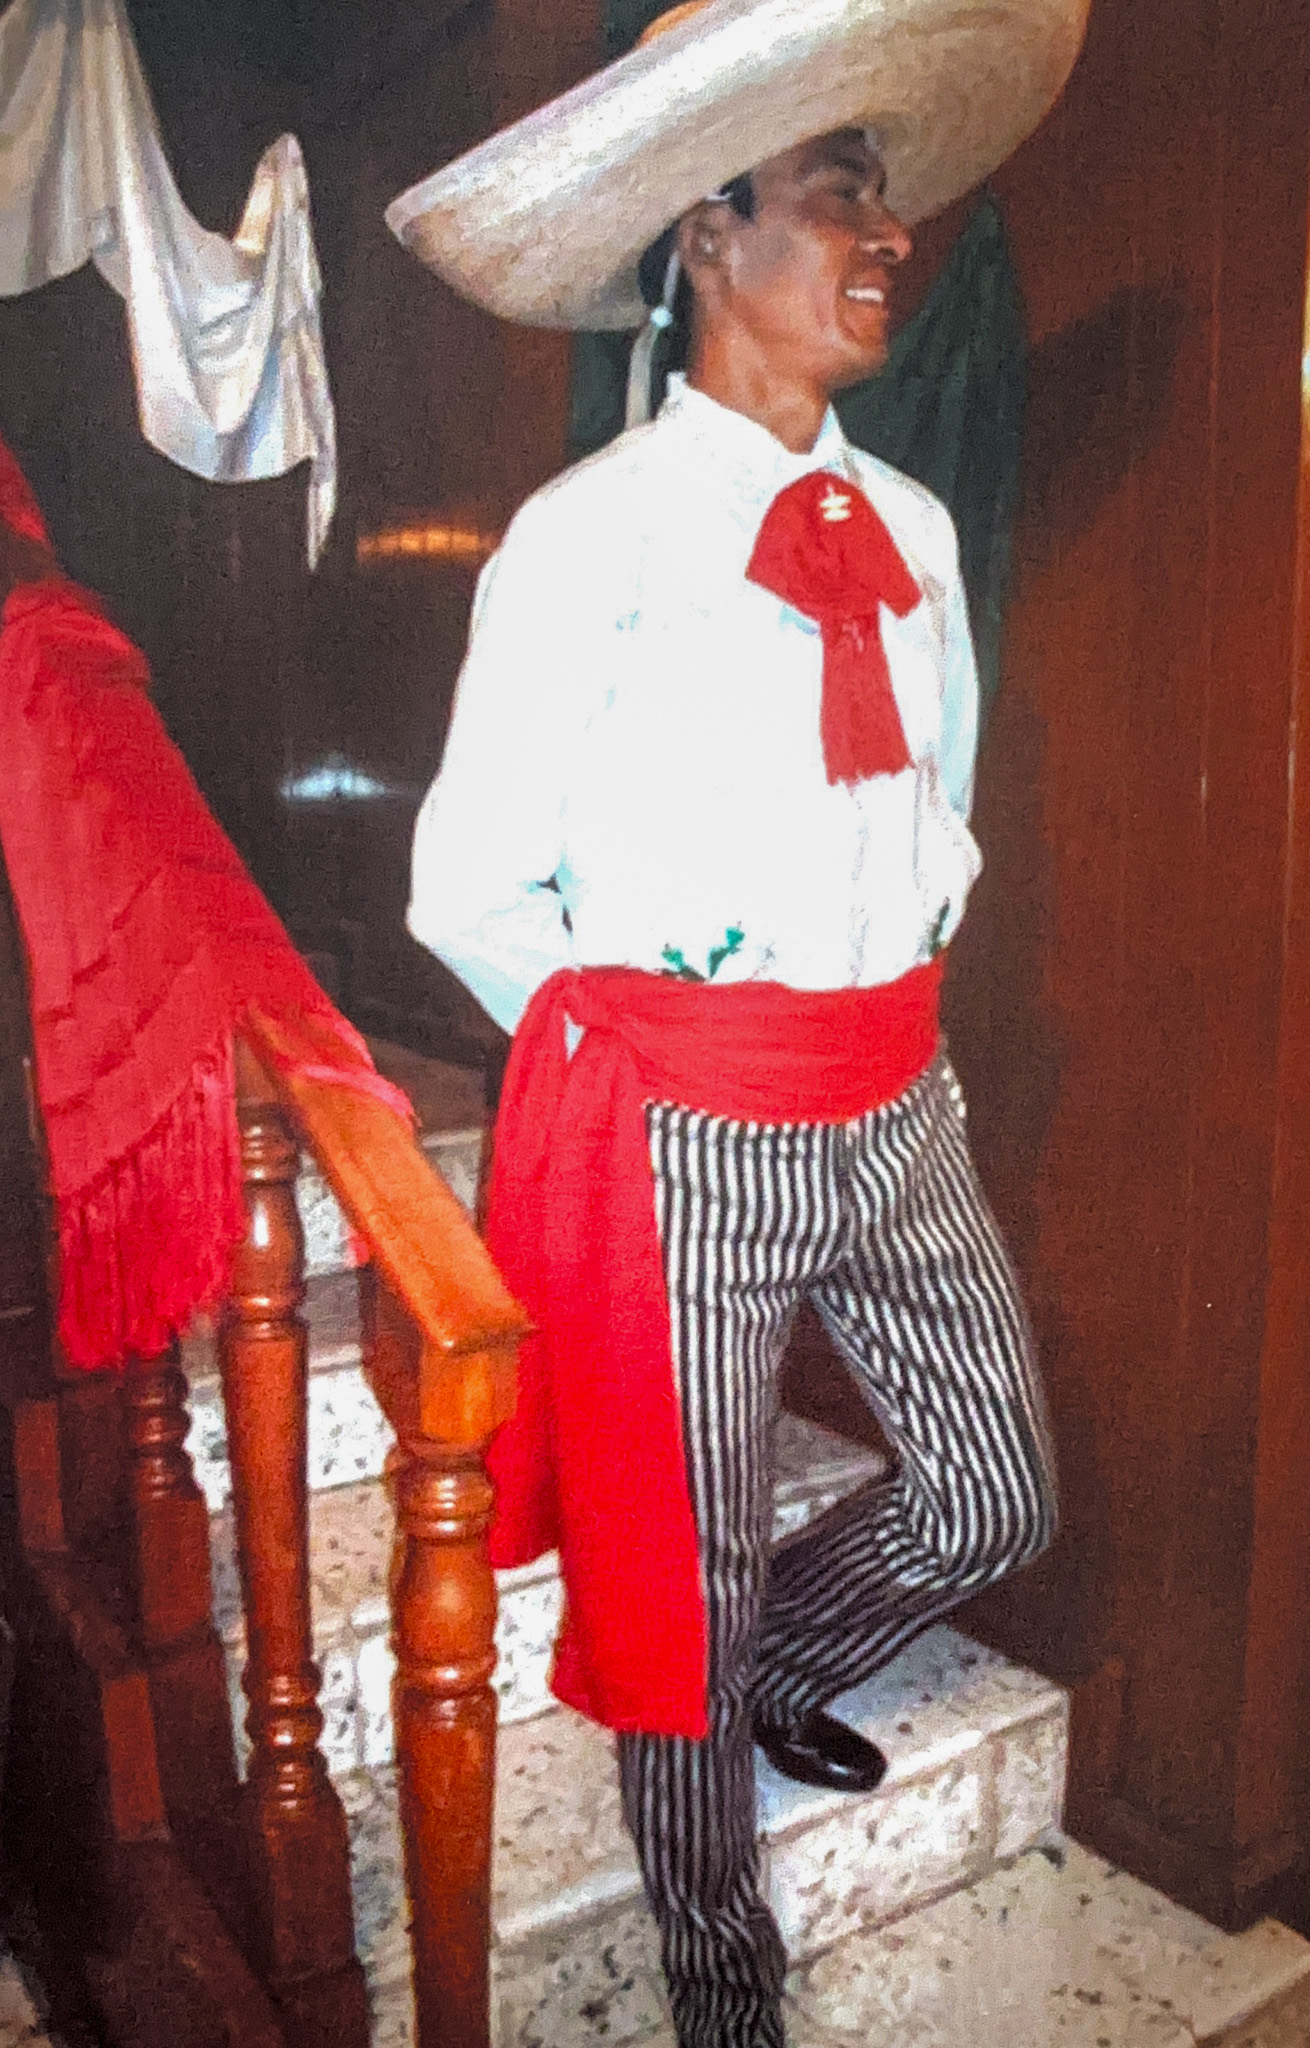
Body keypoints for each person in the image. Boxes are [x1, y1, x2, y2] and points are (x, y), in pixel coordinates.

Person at [391, 1, 1084, 2039]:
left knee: (992, 1487)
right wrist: (651, 1041)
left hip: (899, 1094)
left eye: (881, 197)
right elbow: (466, 886)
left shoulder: (916, 532)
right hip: (685, 1124)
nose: (888, 234)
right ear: (706, 233)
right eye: (834, 193)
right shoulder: (585, 540)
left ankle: (789, 1661)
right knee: (667, 1587)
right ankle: (719, 1978)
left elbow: (939, 794)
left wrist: (899, 936)